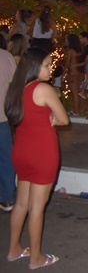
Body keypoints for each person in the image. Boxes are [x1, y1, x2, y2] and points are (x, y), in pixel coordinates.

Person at [5, 47, 68, 269]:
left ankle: (14, 249)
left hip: (21, 151)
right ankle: (36, 258)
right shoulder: (43, 89)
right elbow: (63, 119)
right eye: (47, 65)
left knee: (21, 203)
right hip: (42, 153)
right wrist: (53, 116)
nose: (50, 69)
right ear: (34, 67)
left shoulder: (16, 89)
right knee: (37, 207)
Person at [0, 44, 17, 212]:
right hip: (2, 116)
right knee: (5, 158)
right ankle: (6, 198)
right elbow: (14, 85)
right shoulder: (6, 56)